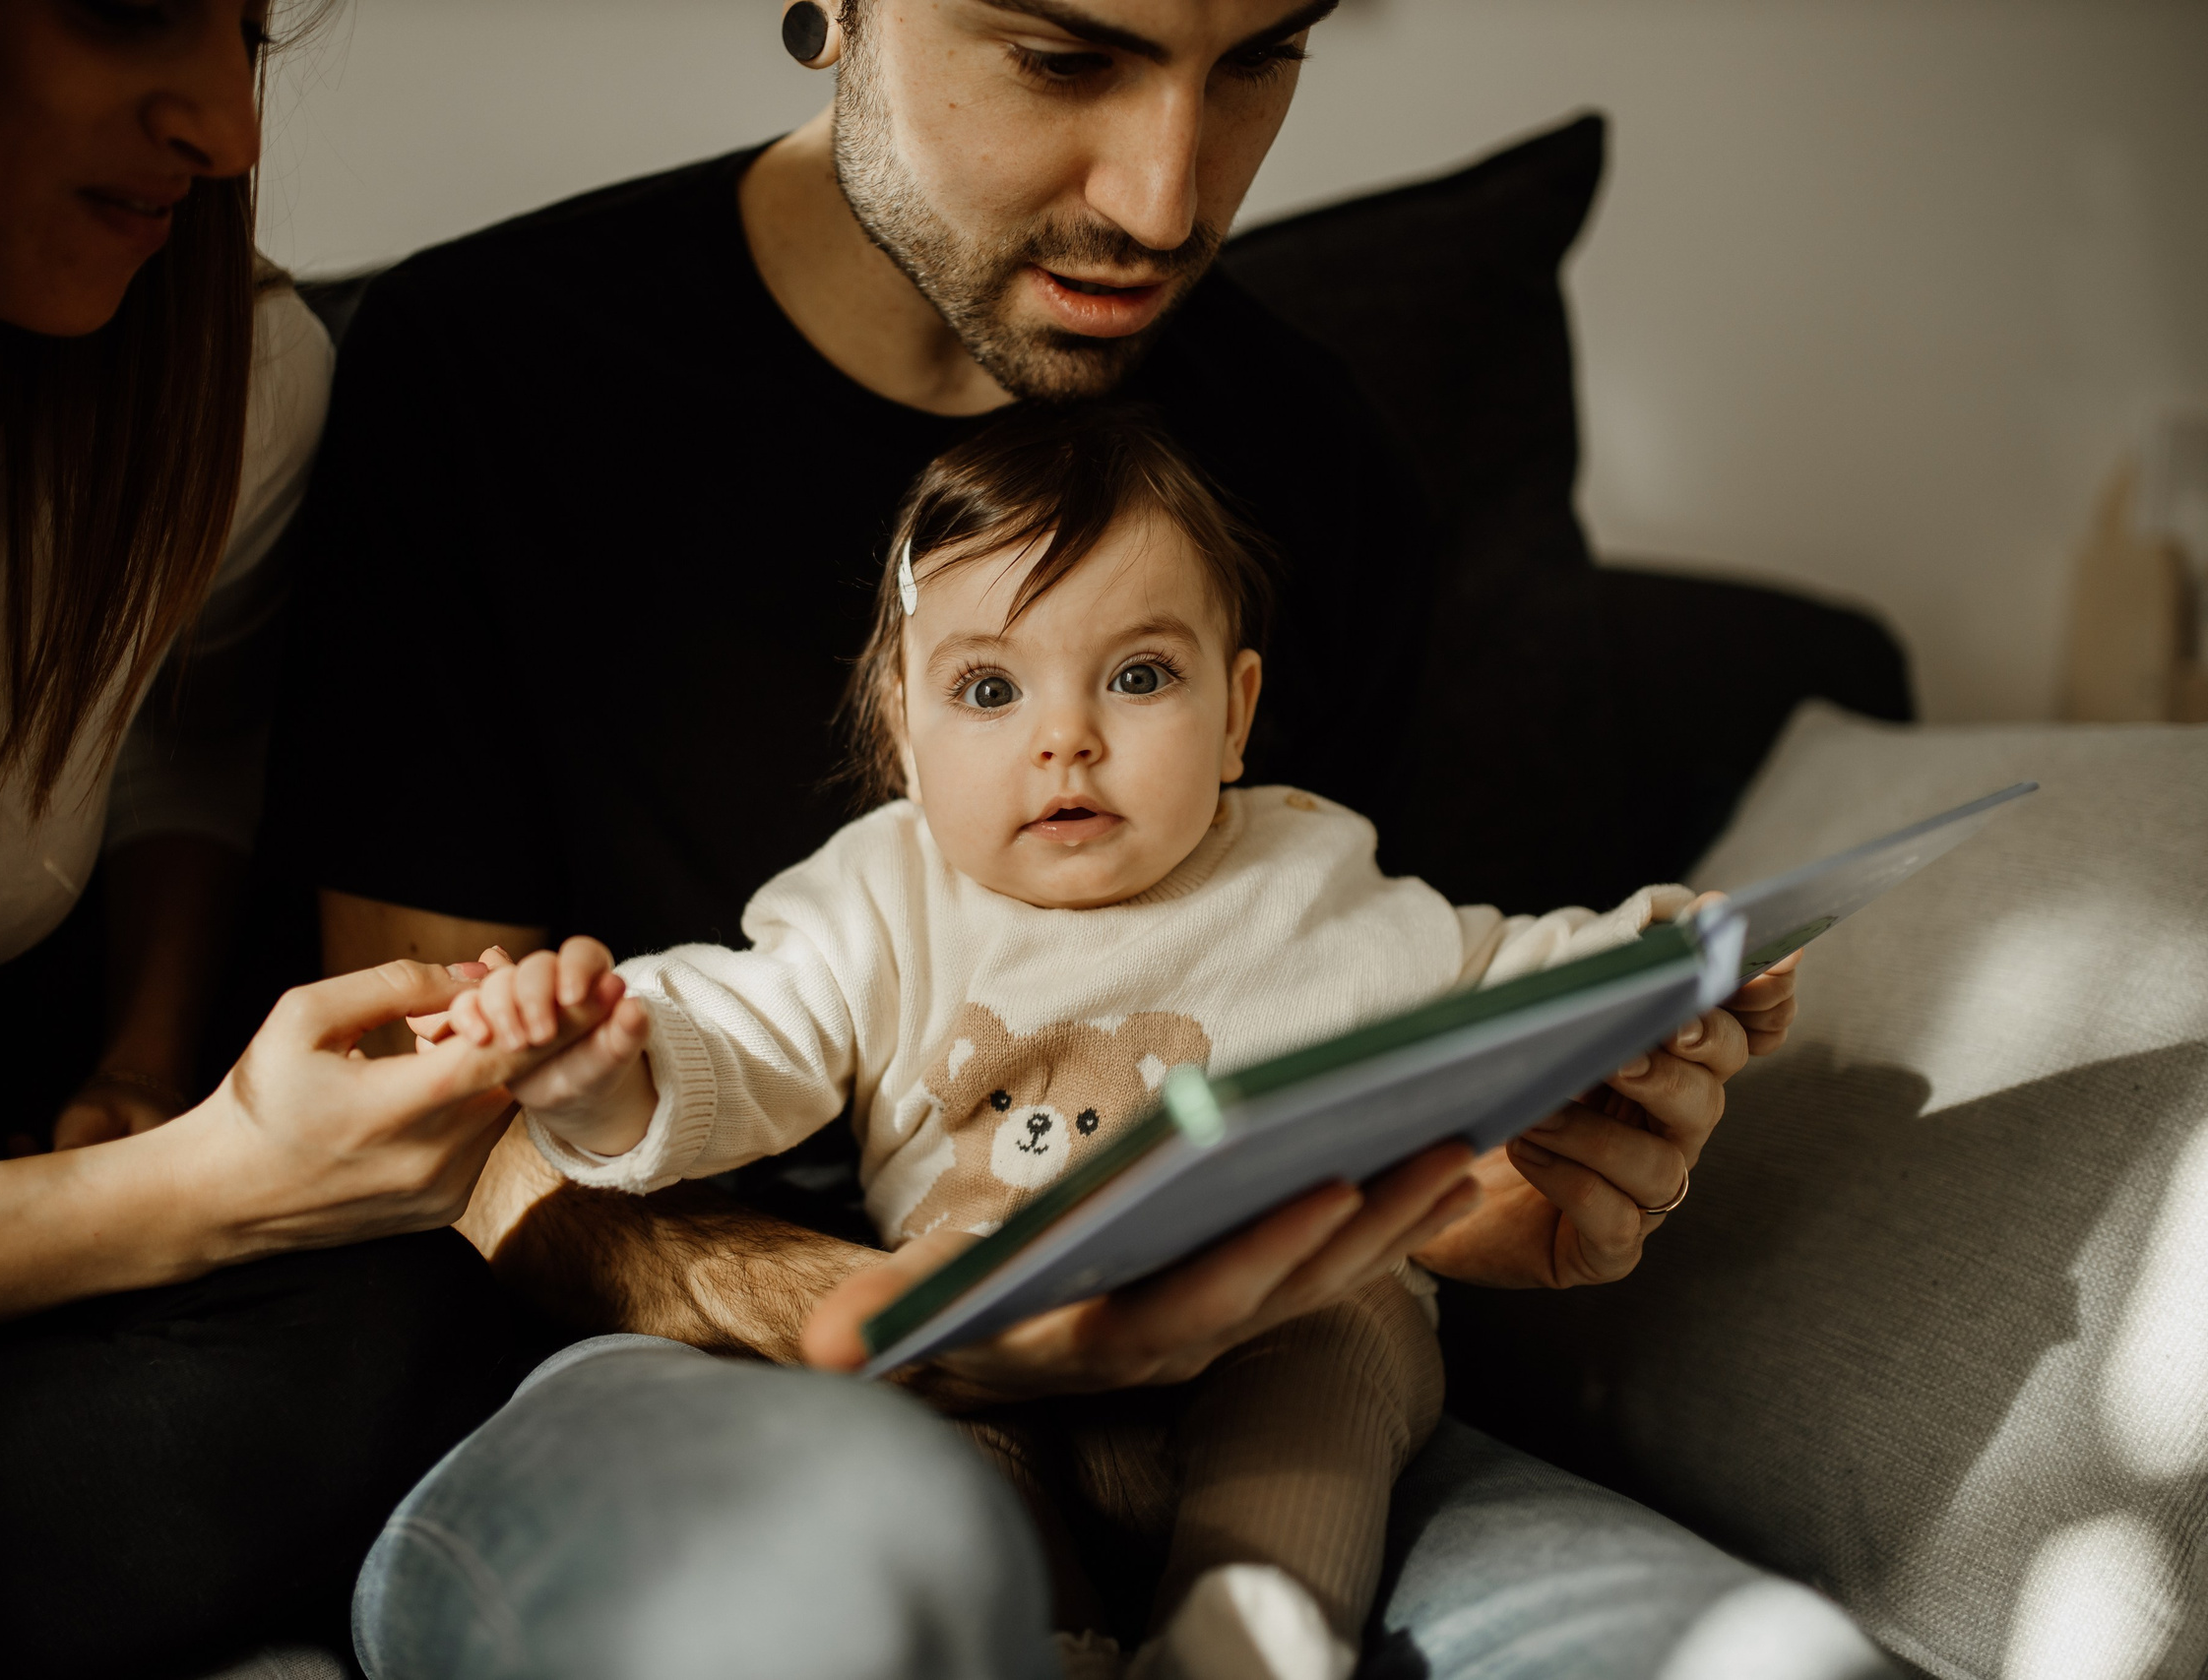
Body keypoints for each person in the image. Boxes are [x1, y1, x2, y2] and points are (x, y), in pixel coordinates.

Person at [286, 6, 1884, 1677]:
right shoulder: (485, 367)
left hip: (1268, 1369)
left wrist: (1518, 1181)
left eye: (1260, 57)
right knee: (869, 1593)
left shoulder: (1315, 464)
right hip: (724, 1376)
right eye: (1065, 57)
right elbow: (431, 1101)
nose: (1168, 197)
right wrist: (886, 1324)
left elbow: (1370, 1000)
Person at [425, 404, 1742, 1680]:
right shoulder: (880, 897)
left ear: (1236, 715)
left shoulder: (1309, 876)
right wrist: (608, 1072)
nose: (1067, 737)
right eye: (990, 688)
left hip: (1276, 1320)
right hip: (996, 1357)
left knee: (1344, 1338)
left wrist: (1671, 964)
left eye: (1139, 675)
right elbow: (741, 1030)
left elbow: (1503, 975)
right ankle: (1043, 1639)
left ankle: (1253, 1627)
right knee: (918, 1424)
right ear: (902, 728)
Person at [0, 4, 637, 1673]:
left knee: (397, 1322)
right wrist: (177, 1197)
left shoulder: (223, 378)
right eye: (127, 11)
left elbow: (183, 723)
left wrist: (147, 1060)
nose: (230, 130)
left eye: (248, 35)